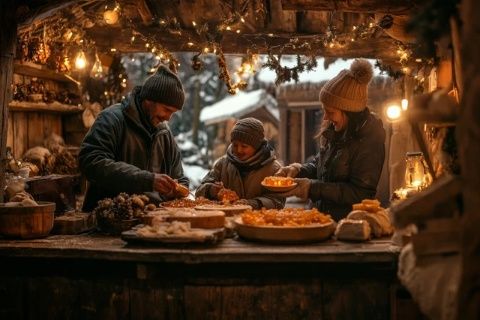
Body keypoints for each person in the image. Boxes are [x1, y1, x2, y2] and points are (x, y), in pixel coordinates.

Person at [276, 59, 386, 221]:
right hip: (322, 219)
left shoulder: (369, 140)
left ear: (349, 112)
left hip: (347, 225)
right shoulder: (336, 132)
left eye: (331, 112)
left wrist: (311, 188)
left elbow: (360, 193)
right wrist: (299, 170)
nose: (326, 117)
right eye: (324, 110)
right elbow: (322, 165)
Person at [79, 65, 189, 212]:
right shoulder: (111, 118)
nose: (168, 118)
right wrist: (147, 180)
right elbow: (91, 162)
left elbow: (180, 179)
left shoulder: (165, 134)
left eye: (173, 113)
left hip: (150, 223)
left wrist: (175, 191)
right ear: (149, 100)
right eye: (166, 109)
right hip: (108, 218)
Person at [196, 117, 285, 209]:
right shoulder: (222, 165)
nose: (239, 150)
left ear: (257, 146)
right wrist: (211, 190)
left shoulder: (274, 169)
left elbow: (278, 201)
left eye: (244, 146)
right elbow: (198, 192)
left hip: (256, 221)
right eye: (235, 145)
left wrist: (251, 204)